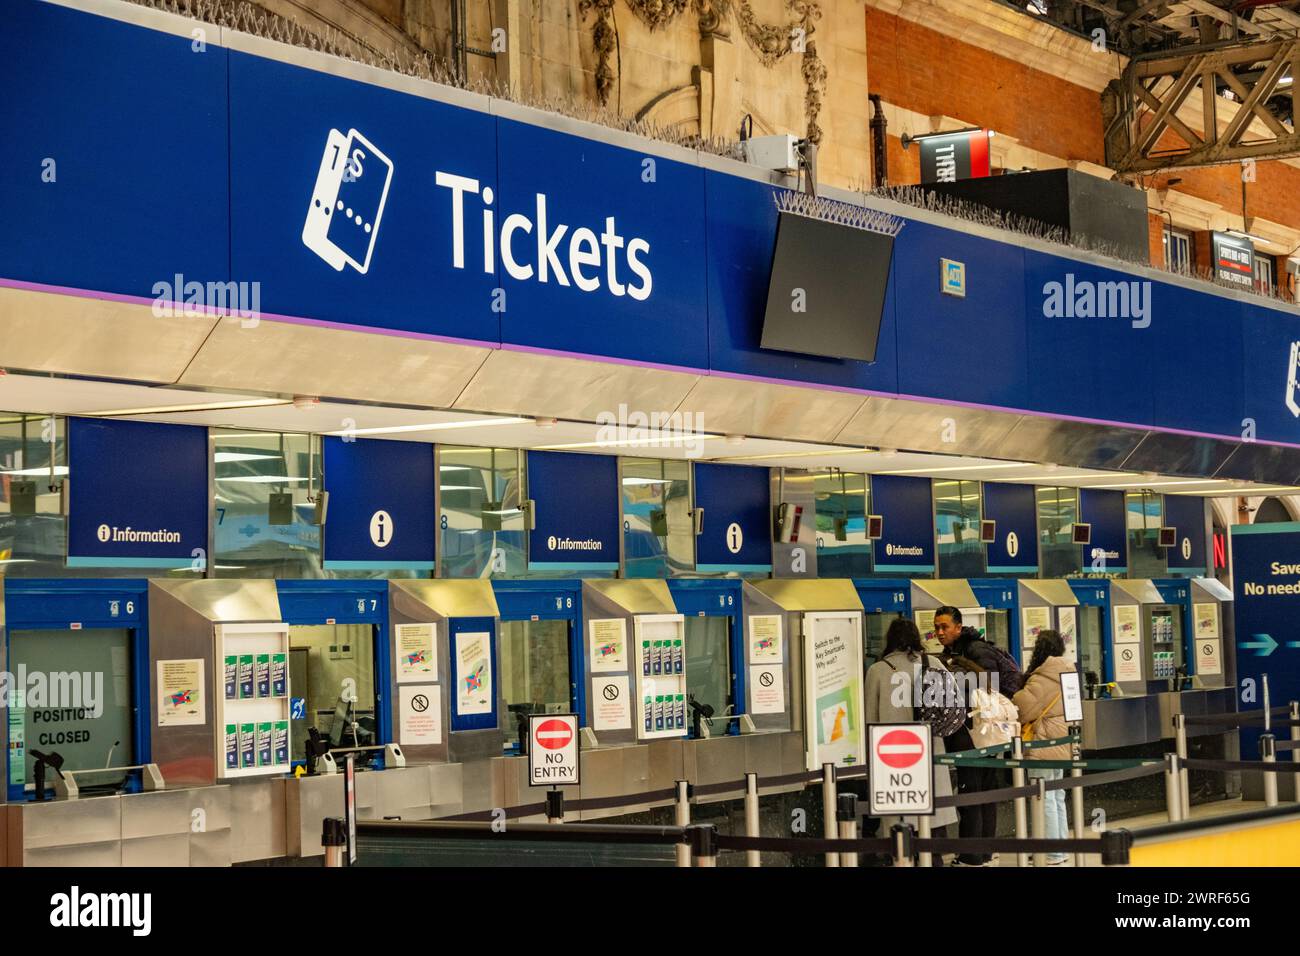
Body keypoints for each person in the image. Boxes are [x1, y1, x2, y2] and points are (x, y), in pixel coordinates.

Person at [933, 605, 1020, 865]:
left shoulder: (975, 650)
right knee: (982, 791)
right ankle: (983, 850)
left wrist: (954, 680)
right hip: (979, 732)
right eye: (936, 627)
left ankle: (972, 855)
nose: (939, 632)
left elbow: (986, 688)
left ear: (958, 627)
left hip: (979, 732)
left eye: (944, 627)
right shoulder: (961, 650)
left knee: (973, 793)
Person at [864, 618, 959, 846]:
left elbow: (870, 720)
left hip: (893, 758)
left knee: (900, 832)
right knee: (933, 829)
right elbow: (955, 702)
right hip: (931, 753)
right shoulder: (934, 663)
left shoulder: (878, 671)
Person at [1013, 629, 1073, 865]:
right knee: (1057, 794)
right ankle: (1061, 848)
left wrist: (1016, 693)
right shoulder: (1068, 672)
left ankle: (1051, 852)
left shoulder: (1042, 678)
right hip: (1063, 742)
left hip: (1044, 742)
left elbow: (1023, 708)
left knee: (1043, 796)